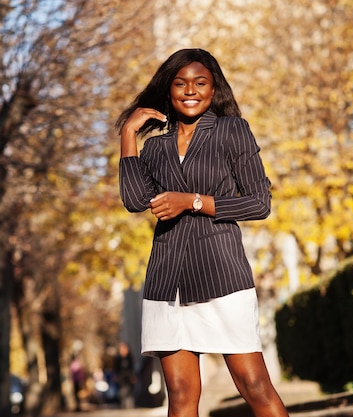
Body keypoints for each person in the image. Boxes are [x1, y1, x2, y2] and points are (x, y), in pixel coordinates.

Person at [116, 48, 289, 417]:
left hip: (221, 277)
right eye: (180, 83)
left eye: (200, 82)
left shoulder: (231, 130)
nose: (189, 90)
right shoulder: (155, 147)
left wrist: (192, 201)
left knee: (255, 386)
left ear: (214, 89)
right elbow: (134, 200)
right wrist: (128, 133)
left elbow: (259, 203)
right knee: (179, 396)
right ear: (169, 90)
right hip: (166, 283)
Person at [113, 341, 136, 409]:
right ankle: (124, 405)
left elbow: (132, 368)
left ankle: (130, 405)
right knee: (122, 391)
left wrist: (133, 376)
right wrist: (116, 376)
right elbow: (116, 368)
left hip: (129, 377)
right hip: (121, 377)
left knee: (130, 391)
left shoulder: (130, 358)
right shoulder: (117, 358)